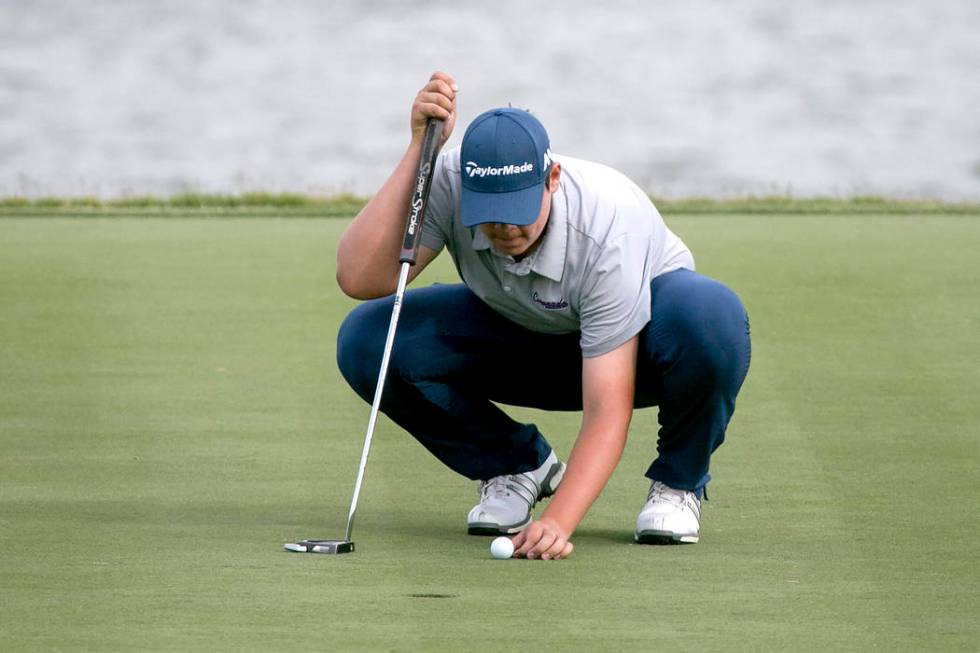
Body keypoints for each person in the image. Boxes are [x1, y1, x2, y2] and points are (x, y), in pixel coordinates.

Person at [335, 71, 751, 561]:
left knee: (711, 317)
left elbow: (606, 409)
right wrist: (416, 155)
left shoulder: (608, 225)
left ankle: (677, 484)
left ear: (551, 179)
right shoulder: (449, 182)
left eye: (517, 208)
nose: (505, 227)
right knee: (369, 339)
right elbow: (360, 277)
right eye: (489, 212)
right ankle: (517, 466)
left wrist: (559, 522)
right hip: (520, 334)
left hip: (640, 349)